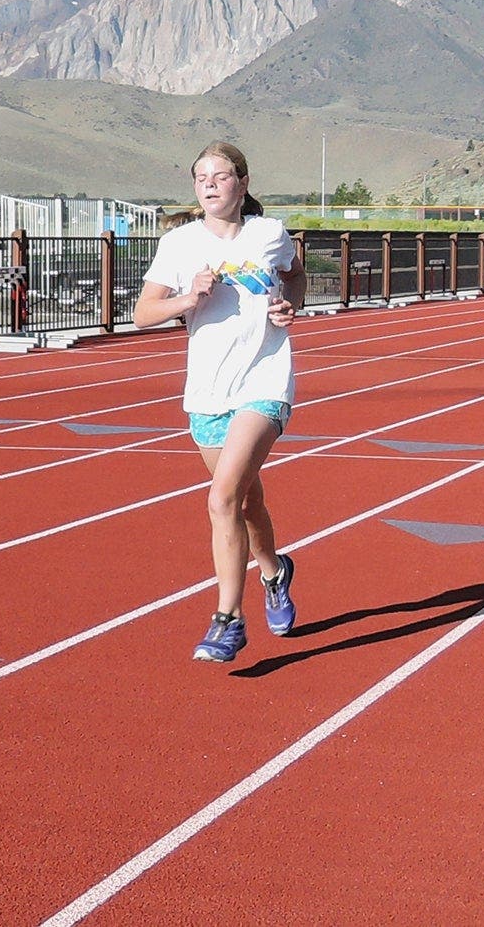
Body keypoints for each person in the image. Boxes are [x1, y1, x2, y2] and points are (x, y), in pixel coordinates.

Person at [135, 141, 305, 664]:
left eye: (220, 175)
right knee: (246, 501)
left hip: (264, 380)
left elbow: (295, 275)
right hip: (207, 390)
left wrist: (289, 306)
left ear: (243, 182)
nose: (209, 184)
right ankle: (274, 572)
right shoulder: (180, 244)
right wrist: (188, 299)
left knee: (221, 499)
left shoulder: (269, 234)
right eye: (200, 177)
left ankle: (227, 620)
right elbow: (143, 313)